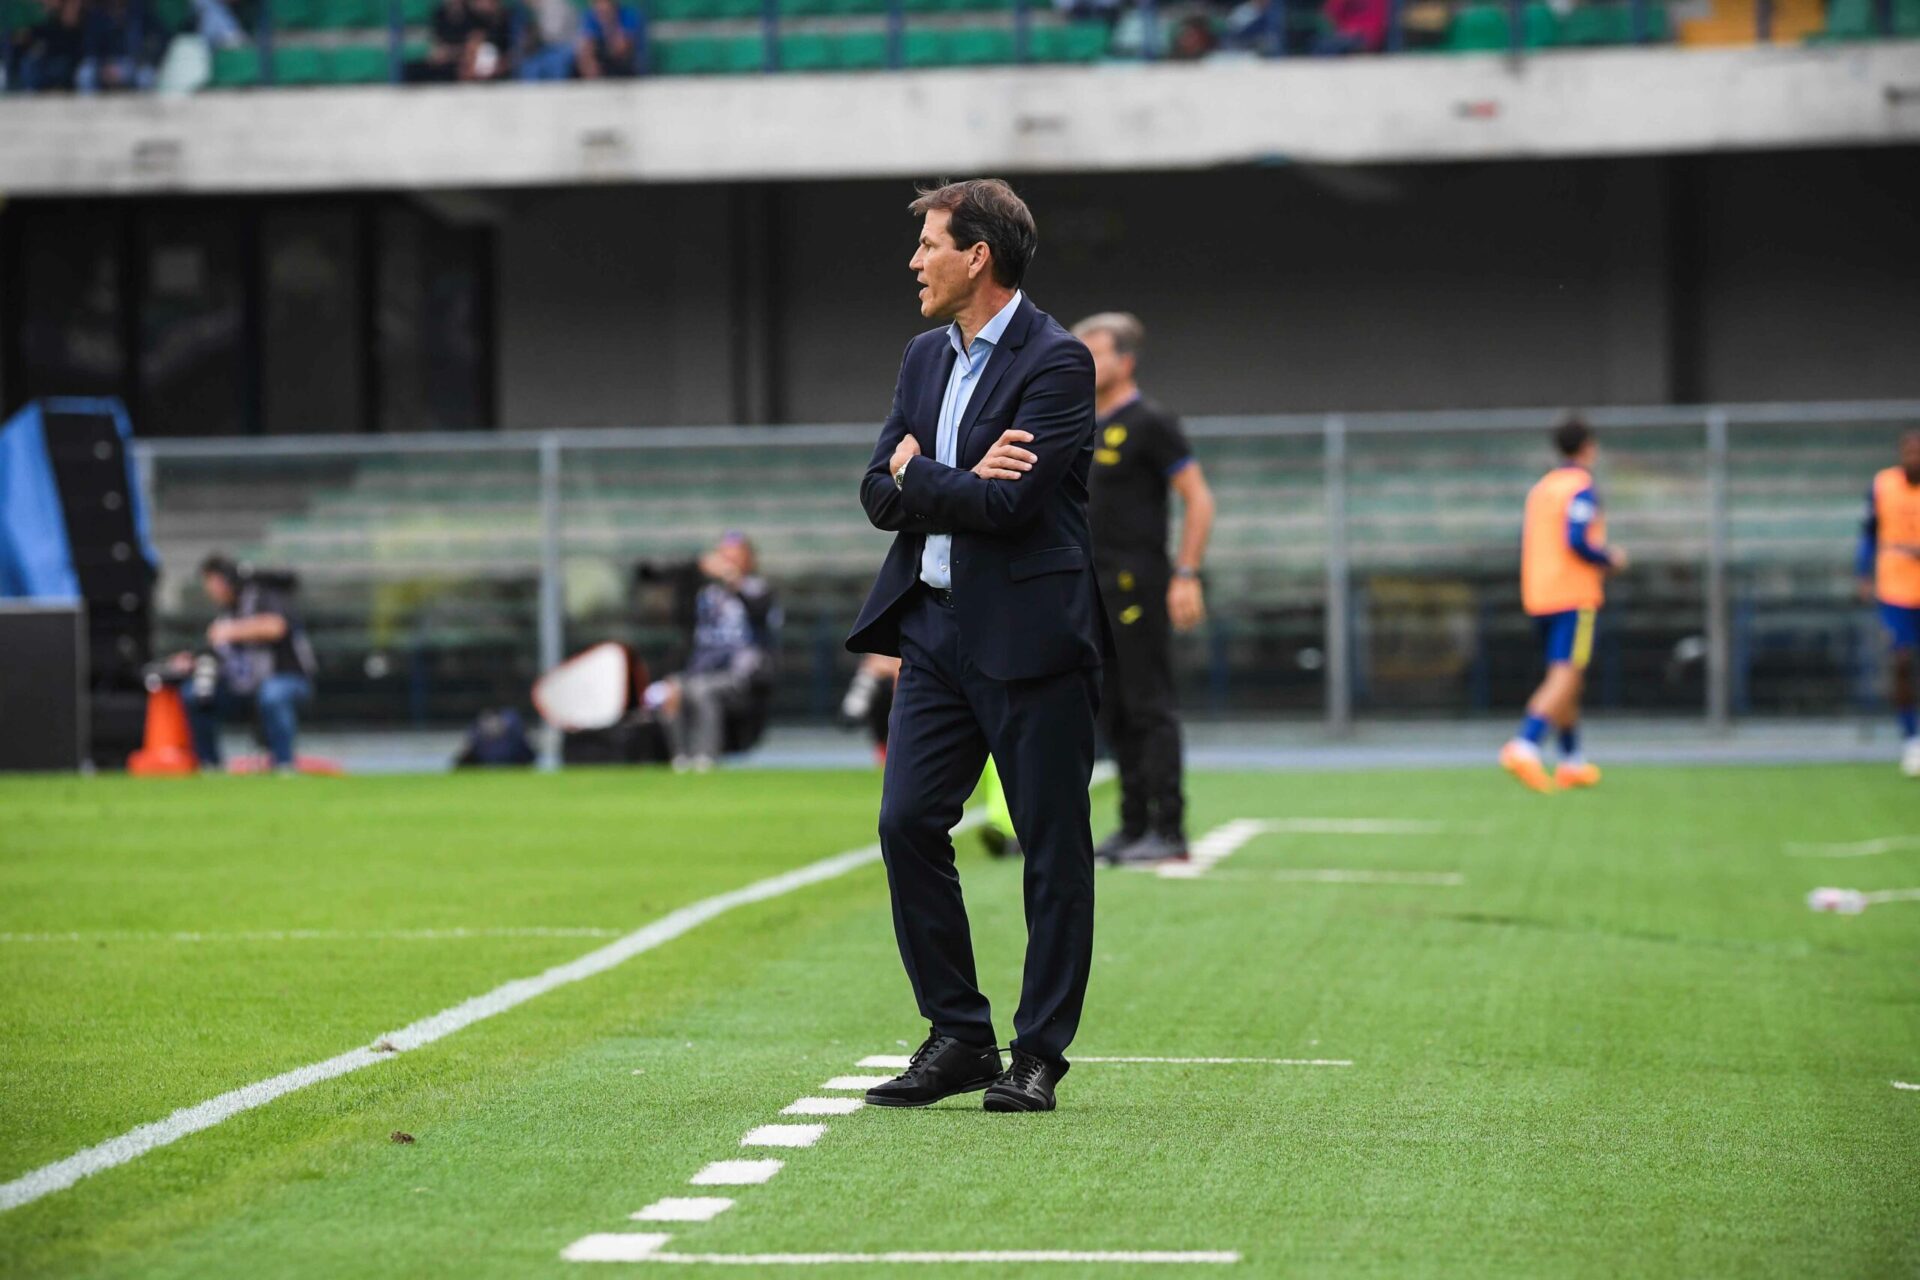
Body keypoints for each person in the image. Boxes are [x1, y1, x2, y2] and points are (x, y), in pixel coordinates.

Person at [847, 178, 1102, 1114]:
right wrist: (933, 477)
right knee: (906, 823)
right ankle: (958, 1034)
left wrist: (927, 475)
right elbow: (879, 491)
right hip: (934, 628)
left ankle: (1039, 1051)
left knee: (1051, 846)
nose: (915, 261)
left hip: (1033, 639)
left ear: (977, 256)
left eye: (929, 244)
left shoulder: (1060, 361)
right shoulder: (922, 356)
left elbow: (1010, 503)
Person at [1074, 311, 1215, 864]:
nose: (1084, 362)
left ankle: (1170, 829)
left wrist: (1186, 573)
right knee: (1113, 708)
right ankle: (1133, 825)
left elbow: (1198, 498)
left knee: (1150, 704)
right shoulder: (1084, 424)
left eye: (1095, 352)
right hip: (1094, 587)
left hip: (1141, 583)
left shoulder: (1151, 421)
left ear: (1125, 361)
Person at [1500, 418, 1626, 793]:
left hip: (1540, 594)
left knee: (1567, 676)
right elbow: (1577, 540)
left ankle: (1572, 760)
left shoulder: (1542, 489)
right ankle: (1526, 743)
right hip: (1573, 594)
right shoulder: (1580, 487)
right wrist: (1609, 558)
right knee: (1566, 675)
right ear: (1588, 447)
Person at [644, 532, 778, 772]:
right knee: (671, 689)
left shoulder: (759, 589)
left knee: (702, 690)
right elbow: (681, 623)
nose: (727, 563)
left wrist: (731, 578)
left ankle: (705, 758)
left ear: (749, 560)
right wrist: (696, 569)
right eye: (723, 557)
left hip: (742, 674)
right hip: (703, 670)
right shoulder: (706, 593)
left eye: (734, 558)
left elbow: (759, 614)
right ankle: (680, 760)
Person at [177, 554, 318, 774]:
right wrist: (191, 661)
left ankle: (284, 764)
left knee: (272, 694)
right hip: (243, 686)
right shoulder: (226, 612)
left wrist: (230, 631)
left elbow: (275, 626)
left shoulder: (264, 596)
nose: (210, 590)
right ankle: (210, 765)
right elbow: (218, 652)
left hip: (289, 679)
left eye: (212, 582)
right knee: (194, 694)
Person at [1855, 429, 1920, 778]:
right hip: (1896, 589)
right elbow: (1867, 534)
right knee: (1902, 660)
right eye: (1908, 452)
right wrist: (1862, 573)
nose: (1914, 458)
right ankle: (1911, 739)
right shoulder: (1883, 486)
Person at [575, 0, 644, 77]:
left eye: (604, 2)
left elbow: (621, 48)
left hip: (627, 67)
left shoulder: (629, 15)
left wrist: (609, 23)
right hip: (602, 66)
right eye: (597, 3)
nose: (601, 7)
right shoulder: (590, 17)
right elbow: (586, 46)